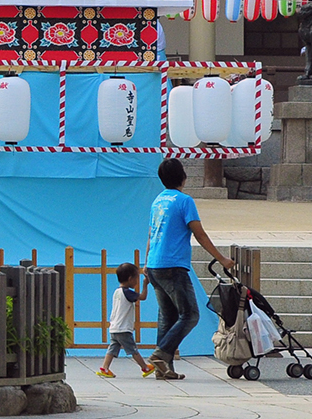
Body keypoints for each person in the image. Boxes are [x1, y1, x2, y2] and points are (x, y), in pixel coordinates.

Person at [145, 157, 234, 381]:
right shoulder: (184, 201)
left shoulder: (157, 201)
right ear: (183, 177)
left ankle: (164, 368)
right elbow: (199, 233)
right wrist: (221, 258)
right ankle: (161, 354)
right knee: (190, 314)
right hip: (173, 265)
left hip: (155, 264)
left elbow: (151, 234)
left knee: (167, 317)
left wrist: (147, 263)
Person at [97, 261, 155, 379]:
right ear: (130, 278)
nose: (136, 281)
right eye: (136, 279)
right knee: (133, 349)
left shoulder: (116, 292)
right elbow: (142, 297)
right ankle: (145, 367)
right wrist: (145, 284)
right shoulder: (127, 292)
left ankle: (105, 368)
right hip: (123, 328)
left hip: (114, 327)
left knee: (112, 349)